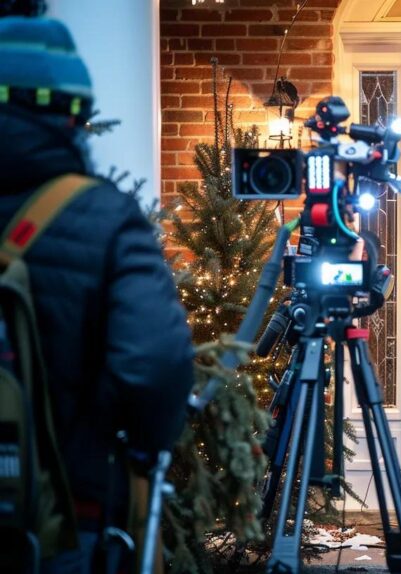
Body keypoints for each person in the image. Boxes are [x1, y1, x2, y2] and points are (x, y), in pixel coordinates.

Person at [0, 15, 195, 572]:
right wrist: (130, 444)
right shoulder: (104, 217)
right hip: (67, 519)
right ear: (73, 115)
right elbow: (155, 364)